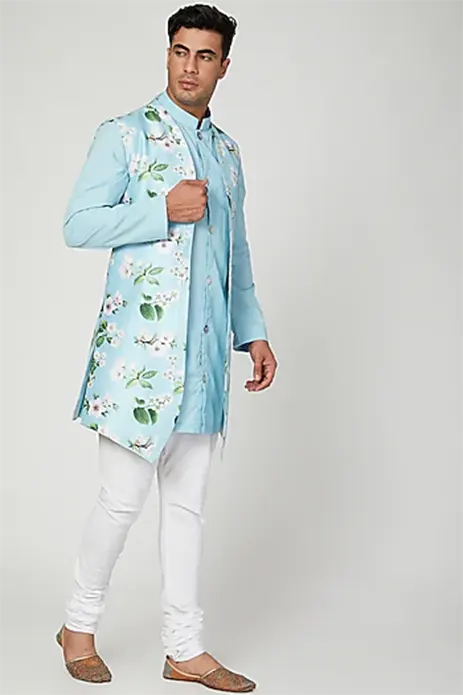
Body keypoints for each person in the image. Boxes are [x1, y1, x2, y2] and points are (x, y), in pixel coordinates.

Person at [57, 4, 277, 692]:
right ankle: (78, 626)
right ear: (167, 54)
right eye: (180, 51)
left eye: (204, 55)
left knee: (186, 509)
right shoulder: (125, 135)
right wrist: (161, 210)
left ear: (223, 66)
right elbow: (77, 224)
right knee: (121, 500)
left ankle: (185, 647)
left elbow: (236, 253)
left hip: (204, 362)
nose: (189, 66)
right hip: (139, 361)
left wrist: (252, 330)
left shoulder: (228, 155)